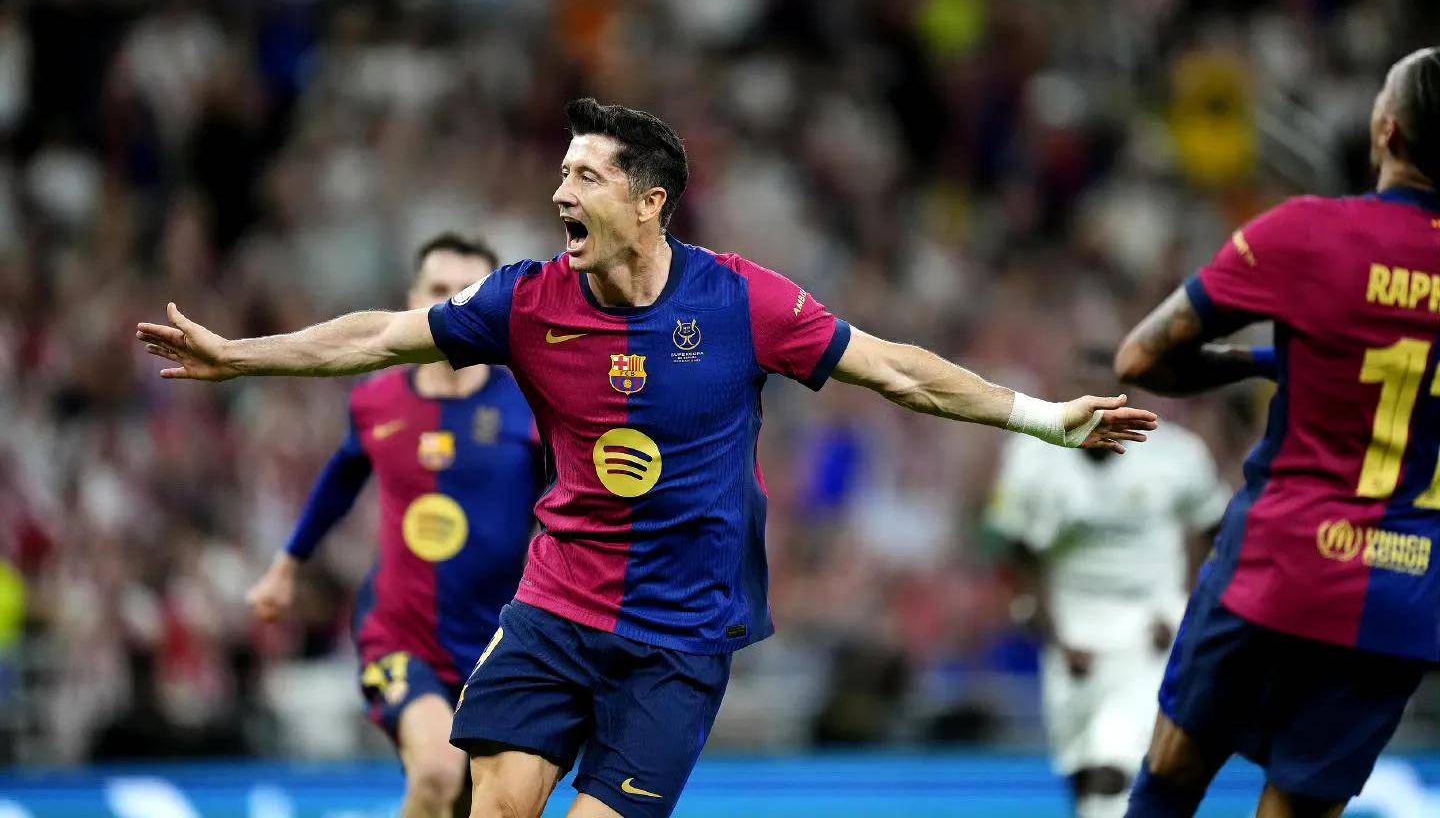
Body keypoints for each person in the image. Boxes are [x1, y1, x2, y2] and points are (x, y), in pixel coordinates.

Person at [138, 98, 1156, 818]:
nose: (559, 192)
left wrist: (1043, 417)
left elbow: (895, 370)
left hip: (677, 638)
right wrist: (240, 356)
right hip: (553, 610)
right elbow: (377, 338)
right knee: (491, 806)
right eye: (561, 173)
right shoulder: (527, 300)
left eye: (585, 175)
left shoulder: (742, 300)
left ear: (649, 202)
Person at [1114, 47, 1440, 818]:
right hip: (1404, 586)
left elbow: (1140, 358)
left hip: (1279, 562)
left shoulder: (1308, 233)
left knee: (1171, 778)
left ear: (1386, 129)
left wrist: (1259, 360)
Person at [244, 233, 541, 818]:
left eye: (468, 292)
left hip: (501, 645)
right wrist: (286, 566)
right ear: (412, 302)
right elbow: (340, 478)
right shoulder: (376, 401)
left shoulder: (532, 407)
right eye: (438, 290)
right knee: (436, 773)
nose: (451, 306)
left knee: (479, 802)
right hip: (402, 636)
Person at [987, 353, 1227, 818]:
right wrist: (1049, 630)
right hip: (1073, 626)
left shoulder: (1176, 454)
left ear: (1125, 399)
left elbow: (1214, 527)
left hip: (1150, 626)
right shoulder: (1031, 458)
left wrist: (1183, 606)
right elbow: (1017, 550)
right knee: (1082, 772)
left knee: (1115, 763)